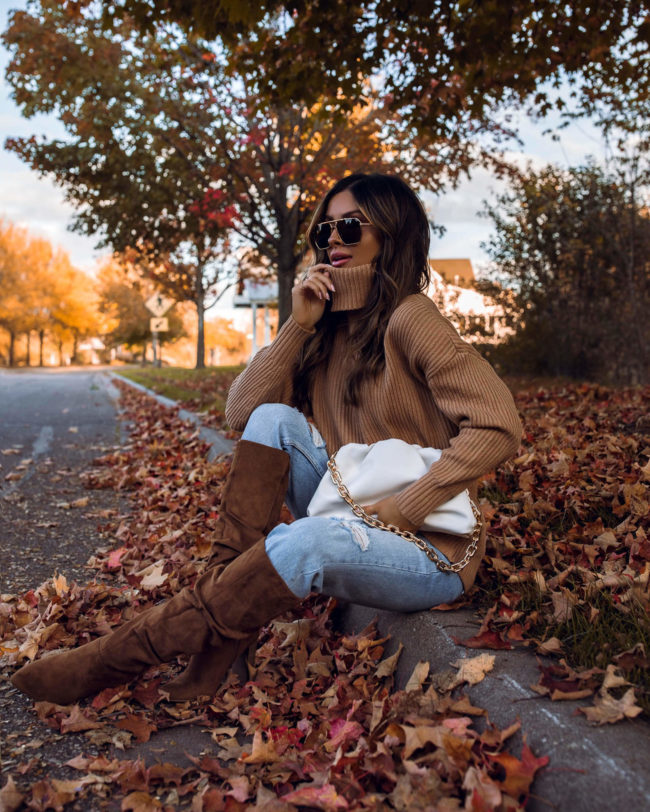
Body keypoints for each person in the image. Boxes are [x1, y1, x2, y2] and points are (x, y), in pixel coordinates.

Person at [11, 173, 521, 705]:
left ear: (390, 235)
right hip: (350, 507)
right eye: (324, 232)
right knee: (274, 419)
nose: (334, 242)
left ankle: (110, 662)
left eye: (350, 227)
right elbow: (241, 413)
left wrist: (410, 504)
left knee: (299, 542)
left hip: (427, 549)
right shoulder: (323, 327)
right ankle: (219, 645)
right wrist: (297, 327)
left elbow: (499, 423)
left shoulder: (413, 318)